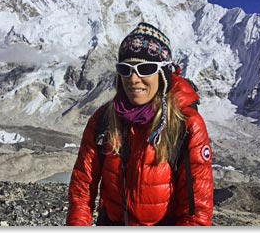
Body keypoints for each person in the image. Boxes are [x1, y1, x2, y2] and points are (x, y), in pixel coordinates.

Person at [66, 22, 213, 226]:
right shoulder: (103, 119)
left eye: (145, 69)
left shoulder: (186, 125)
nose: (134, 79)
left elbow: (197, 211)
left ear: (163, 74)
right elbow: (83, 186)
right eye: (125, 69)